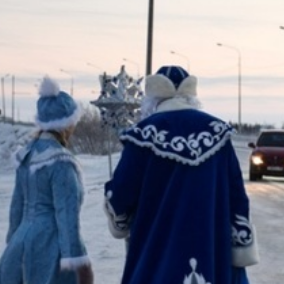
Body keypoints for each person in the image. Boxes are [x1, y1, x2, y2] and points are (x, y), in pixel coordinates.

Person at [103, 65, 257, 284]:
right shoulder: (219, 133)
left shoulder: (141, 136)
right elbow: (237, 196)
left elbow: (119, 198)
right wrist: (240, 244)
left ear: (152, 98)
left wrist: (121, 221)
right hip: (210, 249)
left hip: (155, 248)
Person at [0, 77, 93, 284]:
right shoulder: (62, 162)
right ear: (66, 123)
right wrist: (78, 264)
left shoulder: (27, 155)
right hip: (49, 248)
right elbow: (66, 218)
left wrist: (14, 247)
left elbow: (16, 208)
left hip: (20, 243)